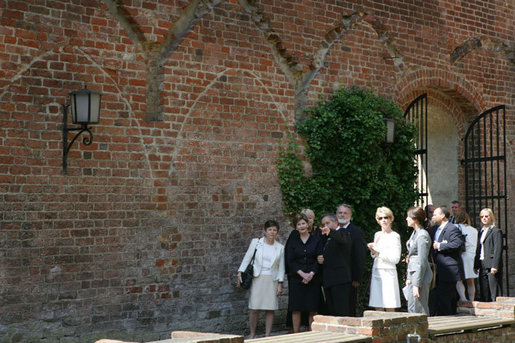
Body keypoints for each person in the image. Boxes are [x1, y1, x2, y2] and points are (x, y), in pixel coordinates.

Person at [237, 220, 285, 338]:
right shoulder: (256, 242)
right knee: (254, 308)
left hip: (272, 280)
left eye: (274, 230)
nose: (272, 232)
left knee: (270, 308)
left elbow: (281, 267)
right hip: (257, 278)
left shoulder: (280, 247)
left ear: (277, 232)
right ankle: (252, 334)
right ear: (265, 231)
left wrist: (280, 284)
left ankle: (267, 335)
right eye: (269, 229)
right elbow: (248, 257)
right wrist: (240, 272)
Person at [286, 214, 323, 332]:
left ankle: (312, 334)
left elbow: (319, 259)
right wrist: (302, 274)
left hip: (313, 278)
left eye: (303, 223)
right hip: (297, 278)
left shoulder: (316, 240)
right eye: (299, 224)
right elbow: (290, 260)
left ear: (308, 225)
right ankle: (296, 334)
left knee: (312, 307)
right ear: (296, 227)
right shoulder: (293, 241)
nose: (301, 226)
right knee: (296, 307)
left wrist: (311, 274)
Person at [428, 206, 465, 316]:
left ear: (443, 215)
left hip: (449, 270)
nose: (432, 216)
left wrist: (440, 245)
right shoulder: (434, 229)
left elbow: (458, 244)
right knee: (438, 298)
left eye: (435, 214)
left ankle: (448, 322)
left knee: (446, 299)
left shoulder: (452, 228)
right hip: (437, 269)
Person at [367, 207, 401, 311]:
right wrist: (373, 252)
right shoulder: (377, 234)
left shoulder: (395, 236)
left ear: (391, 219)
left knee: (390, 305)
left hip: (389, 273)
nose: (383, 220)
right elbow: (376, 255)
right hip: (377, 272)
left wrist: (379, 253)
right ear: (377, 220)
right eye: (380, 218)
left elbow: (395, 259)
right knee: (378, 305)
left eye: (386, 217)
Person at [318, 213, 352, 316]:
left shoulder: (343, 233)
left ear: (336, 222)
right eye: (323, 224)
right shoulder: (326, 238)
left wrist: (331, 232)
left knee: (341, 311)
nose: (325, 226)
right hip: (329, 280)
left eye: (328, 223)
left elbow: (342, 240)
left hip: (340, 280)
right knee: (331, 311)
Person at [336, 204, 366, 316]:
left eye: (345, 213)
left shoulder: (356, 232)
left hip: (349, 278)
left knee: (349, 308)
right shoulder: (332, 230)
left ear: (350, 215)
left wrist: (356, 278)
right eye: (340, 212)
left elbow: (359, 255)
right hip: (334, 278)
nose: (342, 215)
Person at [405, 206, 433, 315]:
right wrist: (409, 278)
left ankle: (421, 332)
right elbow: (412, 258)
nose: (406, 219)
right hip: (413, 275)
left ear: (415, 219)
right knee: (412, 307)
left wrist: (417, 284)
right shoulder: (415, 233)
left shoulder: (422, 236)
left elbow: (422, 262)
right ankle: (413, 332)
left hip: (420, 276)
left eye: (408, 217)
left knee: (419, 308)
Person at [474, 208, 503, 302]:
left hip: (491, 264)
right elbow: (479, 249)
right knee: (484, 290)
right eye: (482, 217)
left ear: (491, 217)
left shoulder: (496, 231)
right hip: (482, 263)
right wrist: (476, 264)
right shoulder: (481, 231)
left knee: (493, 290)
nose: (484, 218)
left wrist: (495, 266)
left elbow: (497, 250)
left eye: (486, 216)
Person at [455, 211, 478, 302]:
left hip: (461, 255)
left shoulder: (456, 227)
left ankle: (463, 298)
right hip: (472, 256)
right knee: (470, 281)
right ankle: (472, 300)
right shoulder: (474, 230)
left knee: (459, 279)